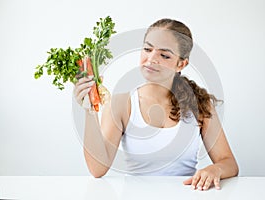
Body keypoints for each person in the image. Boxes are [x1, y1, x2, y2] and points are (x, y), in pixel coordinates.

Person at [74, 18, 239, 191]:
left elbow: (229, 163)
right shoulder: (121, 104)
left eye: (164, 55)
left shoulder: (199, 104)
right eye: (147, 49)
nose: (151, 58)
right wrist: (90, 110)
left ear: (181, 64)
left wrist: (215, 169)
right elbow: (97, 169)